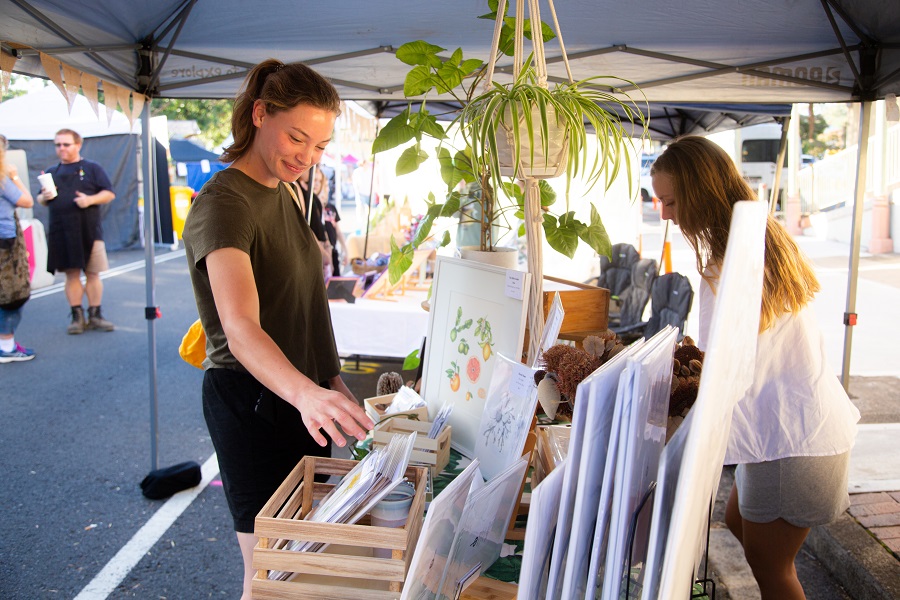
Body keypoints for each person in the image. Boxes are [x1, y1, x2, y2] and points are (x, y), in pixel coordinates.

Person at [181, 59, 374, 600]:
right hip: (255, 402)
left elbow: (303, 307)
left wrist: (333, 386)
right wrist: (308, 395)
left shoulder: (288, 190)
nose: (307, 157)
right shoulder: (225, 204)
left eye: (319, 146)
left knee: (306, 559)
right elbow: (239, 329)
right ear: (261, 114)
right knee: (271, 574)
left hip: (302, 394)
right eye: (296, 137)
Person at [651, 136, 859, 600]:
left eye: (670, 200)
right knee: (736, 524)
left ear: (700, 192)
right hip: (797, 427)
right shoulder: (758, 240)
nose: (664, 213)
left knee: (773, 570)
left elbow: (723, 368)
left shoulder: (729, 264)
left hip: (790, 441)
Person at [37, 128, 116, 334]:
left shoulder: (92, 168)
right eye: (58, 145)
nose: (61, 148)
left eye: (66, 144)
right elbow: (40, 199)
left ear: (78, 145)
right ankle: (77, 316)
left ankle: (95, 314)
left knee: (93, 273)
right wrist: (44, 197)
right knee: (71, 275)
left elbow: (109, 194)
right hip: (62, 232)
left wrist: (89, 200)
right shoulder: (51, 172)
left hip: (90, 230)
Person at [0, 134, 36, 362]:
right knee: (13, 294)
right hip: (5, 242)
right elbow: (27, 200)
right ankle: (7, 346)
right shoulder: (3, 179)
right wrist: (14, 175)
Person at [294, 165, 332, 271]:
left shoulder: (311, 194)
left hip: (318, 245)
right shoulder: (296, 187)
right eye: (315, 179)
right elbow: (303, 222)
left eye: (319, 181)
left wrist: (327, 246)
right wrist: (322, 250)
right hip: (313, 246)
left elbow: (320, 222)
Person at [318, 167, 349, 276]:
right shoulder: (314, 208)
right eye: (324, 186)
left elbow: (338, 231)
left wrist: (345, 250)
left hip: (333, 251)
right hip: (320, 254)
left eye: (327, 186)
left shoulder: (331, 208)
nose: (326, 190)